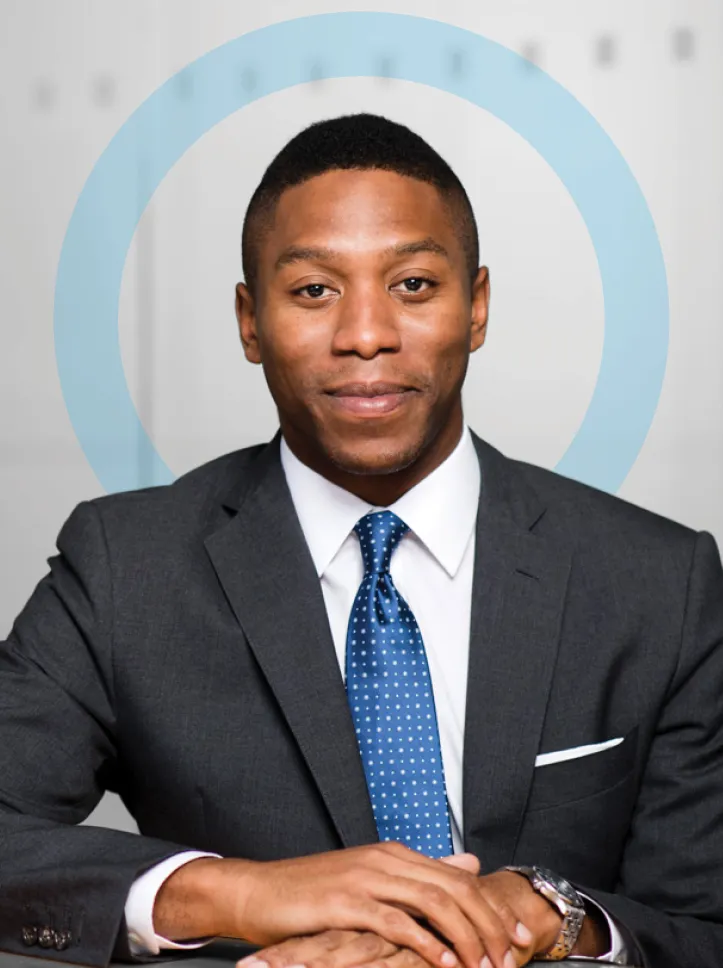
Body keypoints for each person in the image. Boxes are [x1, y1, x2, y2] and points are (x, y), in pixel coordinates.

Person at [1, 113, 722, 968]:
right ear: (249, 320)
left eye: (413, 285)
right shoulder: (127, 567)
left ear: (478, 305)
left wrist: (552, 918)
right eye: (314, 291)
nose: (366, 334)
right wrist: (241, 892)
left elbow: (703, 924)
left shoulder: (658, 581)